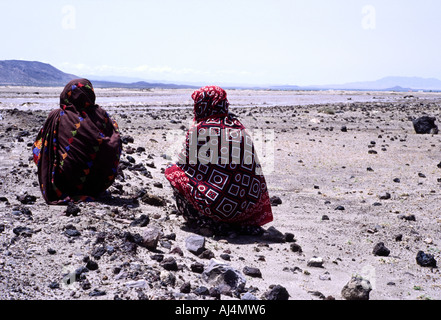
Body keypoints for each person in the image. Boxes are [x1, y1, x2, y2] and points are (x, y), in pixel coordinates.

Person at [165, 85, 273, 236]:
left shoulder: (199, 130)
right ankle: (237, 222)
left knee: (173, 171)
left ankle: (202, 221)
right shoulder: (238, 127)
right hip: (246, 209)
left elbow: (187, 168)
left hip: (218, 208)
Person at [33, 78, 122, 205]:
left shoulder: (57, 116)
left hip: (63, 185)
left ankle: (56, 180)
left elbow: (39, 148)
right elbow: (113, 142)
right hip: (95, 186)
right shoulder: (102, 116)